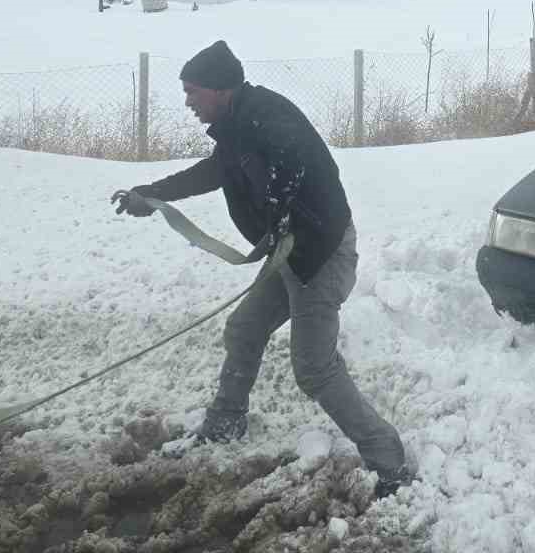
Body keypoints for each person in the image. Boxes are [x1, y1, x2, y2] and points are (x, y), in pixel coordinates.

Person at [113, 40, 413, 499]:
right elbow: (212, 172)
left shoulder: (269, 116)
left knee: (314, 369)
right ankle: (226, 420)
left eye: (193, 92)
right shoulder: (237, 128)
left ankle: (389, 460)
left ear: (219, 89)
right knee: (244, 329)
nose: (188, 102)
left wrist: (280, 207)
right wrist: (152, 195)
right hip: (289, 254)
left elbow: (293, 158)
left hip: (319, 257)